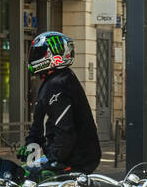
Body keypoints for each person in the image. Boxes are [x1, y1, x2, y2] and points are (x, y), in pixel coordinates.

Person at [22, 31, 101, 173]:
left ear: (54, 56)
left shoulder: (59, 84)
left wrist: (53, 161)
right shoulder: (52, 81)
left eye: (38, 53)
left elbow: (64, 130)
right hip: (66, 156)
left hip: (75, 160)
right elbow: (38, 124)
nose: (33, 57)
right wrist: (30, 149)